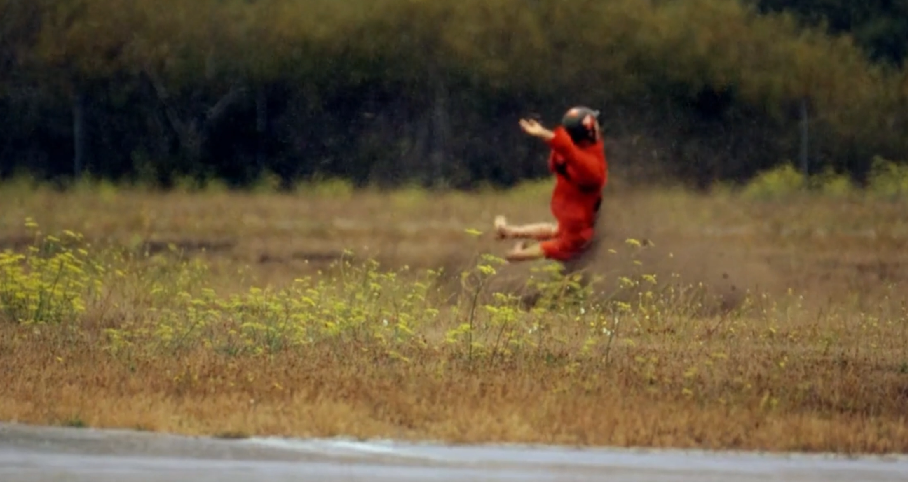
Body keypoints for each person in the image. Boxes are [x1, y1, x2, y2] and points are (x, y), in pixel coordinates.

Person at [494, 106, 608, 276]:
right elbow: (569, 150)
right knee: (563, 244)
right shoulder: (589, 168)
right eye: (596, 125)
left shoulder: (564, 156)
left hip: (567, 209)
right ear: (590, 132)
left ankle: (510, 231)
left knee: (557, 231)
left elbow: (567, 147)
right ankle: (516, 255)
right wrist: (545, 134)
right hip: (579, 219)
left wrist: (546, 134)